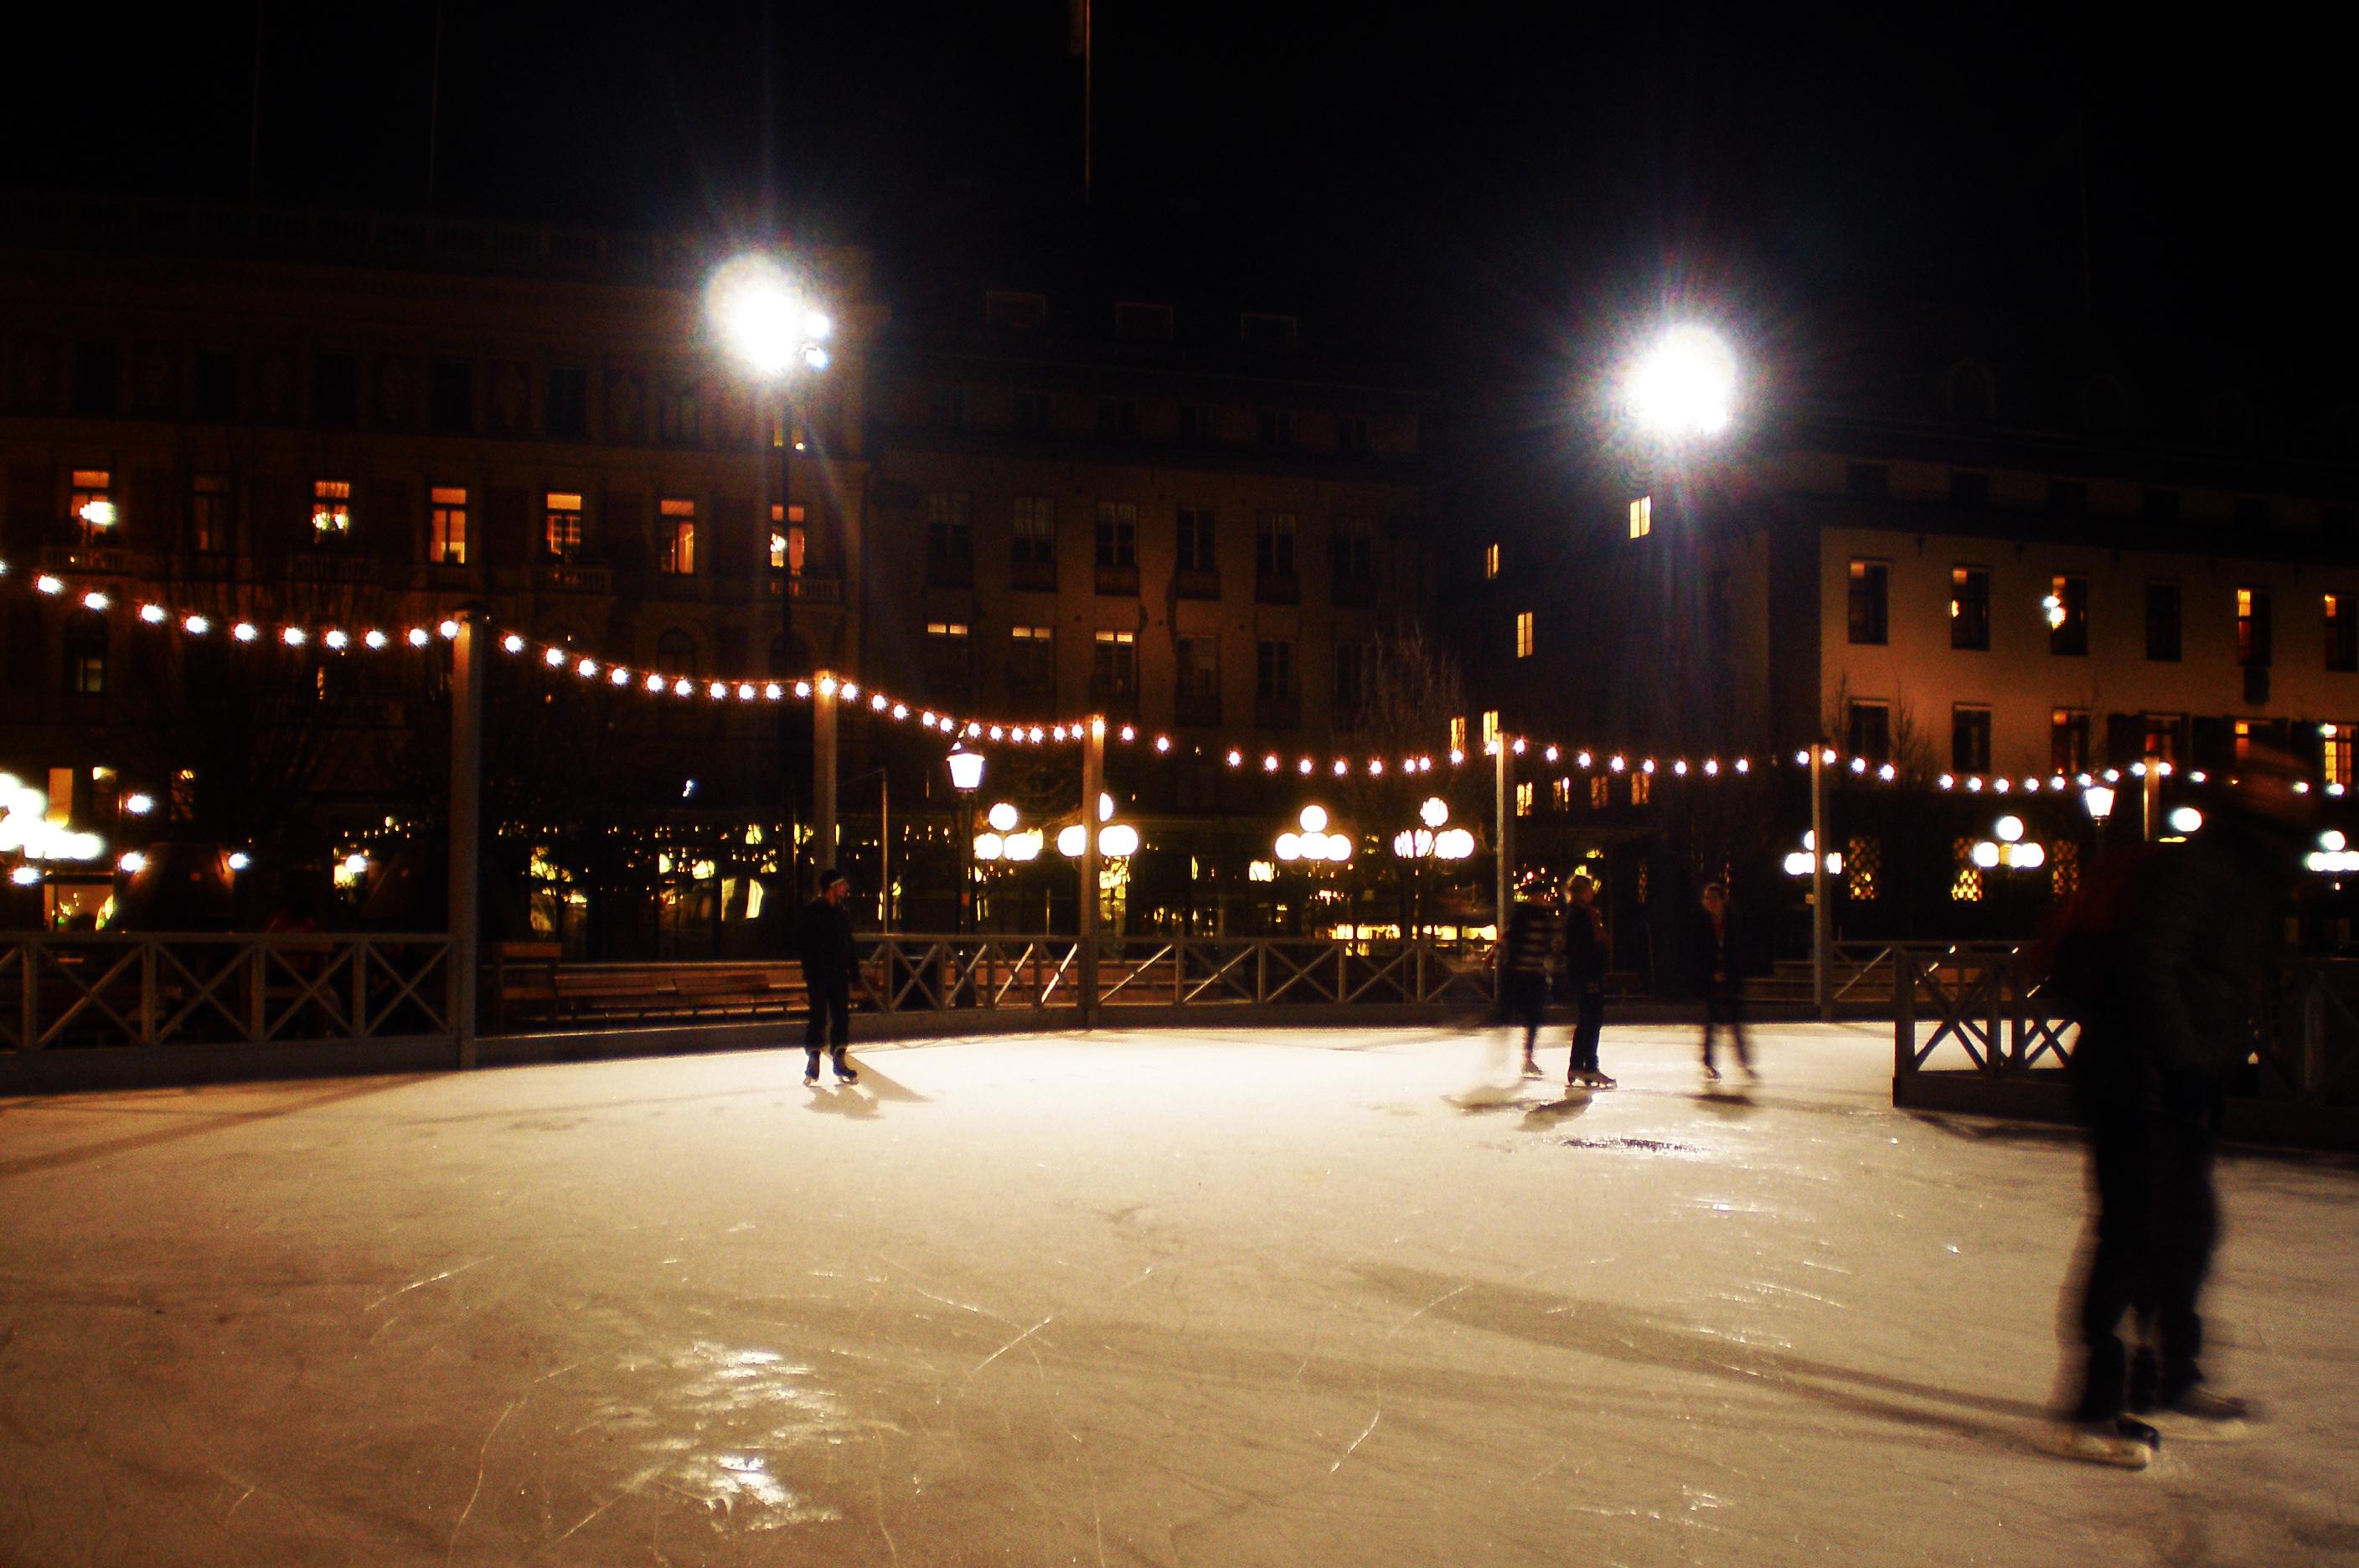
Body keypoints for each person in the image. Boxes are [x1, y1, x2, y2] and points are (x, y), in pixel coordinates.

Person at [2048, 750, 2309, 1467]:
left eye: (2290, 780)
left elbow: (2219, 984)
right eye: (2268, 778)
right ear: (2243, 791)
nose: (2282, 790)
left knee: (2188, 1230)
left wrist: (2212, 1066)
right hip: (2135, 1072)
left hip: (2183, 1076)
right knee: (2131, 1232)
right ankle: (2092, 1407)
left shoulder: (2259, 867)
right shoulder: (2201, 863)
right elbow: (2149, 963)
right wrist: (2185, 1061)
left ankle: (2169, 1380)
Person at [799, 868, 860, 1086]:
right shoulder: (812, 912)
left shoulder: (842, 913)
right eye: (842, 884)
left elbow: (848, 944)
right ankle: (813, 1060)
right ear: (832, 887)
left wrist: (854, 973)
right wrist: (810, 973)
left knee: (841, 1017)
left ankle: (839, 1058)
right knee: (817, 1016)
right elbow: (804, 946)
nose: (846, 888)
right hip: (818, 975)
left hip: (838, 975)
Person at [1497, 884, 1559, 1077]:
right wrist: (1494, 953)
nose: (1542, 898)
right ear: (1532, 896)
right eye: (1539, 895)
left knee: (1534, 1017)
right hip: (1518, 973)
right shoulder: (1522, 915)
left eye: (1543, 894)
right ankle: (1500, 1056)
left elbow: (1554, 941)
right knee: (1507, 1014)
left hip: (1535, 974)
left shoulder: (1547, 917)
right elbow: (1509, 936)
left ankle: (1527, 1057)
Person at [1694, 882, 1752, 1081]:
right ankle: (1709, 1061)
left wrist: (1732, 973)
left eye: (1713, 898)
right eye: (1707, 898)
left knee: (1736, 1022)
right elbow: (1698, 954)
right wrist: (1711, 974)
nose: (1709, 902)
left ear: (1722, 901)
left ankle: (1743, 1060)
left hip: (1730, 979)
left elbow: (1738, 950)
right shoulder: (1702, 923)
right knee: (1711, 1024)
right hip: (1711, 980)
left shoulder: (1732, 922)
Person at [1561, 873, 1613, 1087]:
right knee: (1592, 1019)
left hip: (1583, 972)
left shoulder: (1578, 914)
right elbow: (1585, 947)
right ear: (1583, 892)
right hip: (1587, 974)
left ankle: (1578, 1064)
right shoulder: (1582, 916)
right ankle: (1589, 1066)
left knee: (1587, 1019)